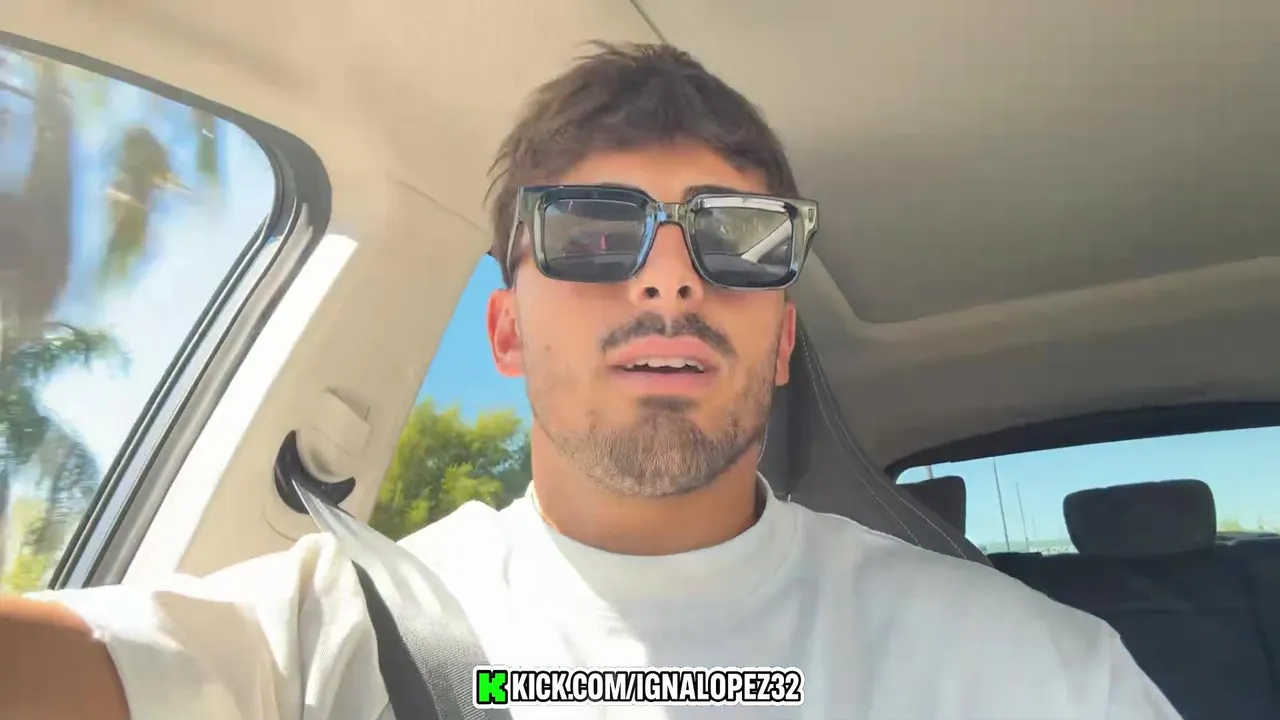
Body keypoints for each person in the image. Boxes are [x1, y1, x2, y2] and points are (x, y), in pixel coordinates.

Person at [0, 42, 1180, 720]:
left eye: (736, 236)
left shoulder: (1031, 671)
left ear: (780, 341)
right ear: (506, 332)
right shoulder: (323, 628)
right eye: (592, 232)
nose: (668, 276)